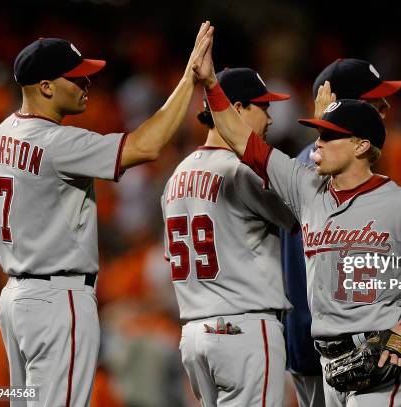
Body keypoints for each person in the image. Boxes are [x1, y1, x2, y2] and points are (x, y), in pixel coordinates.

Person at [194, 35, 401, 407]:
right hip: (329, 364)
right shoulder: (307, 187)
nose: (317, 143)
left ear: (361, 145)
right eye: (318, 133)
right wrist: (211, 86)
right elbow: (242, 140)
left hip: (383, 358)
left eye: (331, 136)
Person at [0, 22, 213, 407]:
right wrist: (189, 79)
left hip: (15, 298)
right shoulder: (56, 141)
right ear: (46, 87)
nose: (86, 84)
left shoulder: (0, 138)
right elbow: (146, 145)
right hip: (58, 299)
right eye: (76, 78)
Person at [282, 58, 401, 407]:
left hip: (346, 342)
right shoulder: (308, 172)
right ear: (339, 105)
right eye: (373, 101)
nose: (384, 108)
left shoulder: (342, 172)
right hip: (319, 344)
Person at [161, 67, 297, 406]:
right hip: (244, 329)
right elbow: (300, 214)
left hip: (194, 335)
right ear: (235, 109)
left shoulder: (175, 177)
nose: (269, 119)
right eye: (262, 107)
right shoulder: (238, 170)